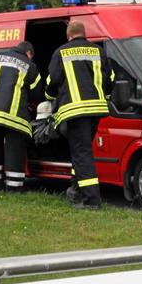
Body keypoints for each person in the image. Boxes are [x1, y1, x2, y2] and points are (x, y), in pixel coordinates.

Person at [46, 21, 114, 209]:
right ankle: (76, 190)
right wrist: (105, 96)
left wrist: (49, 97)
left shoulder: (61, 52)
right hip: (97, 110)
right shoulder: (98, 51)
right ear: (84, 34)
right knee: (81, 153)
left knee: (82, 154)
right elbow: (111, 78)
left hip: (75, 112)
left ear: (69, 35)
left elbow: (52, 80)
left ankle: (92, 201)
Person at [0, 41, 42, 193]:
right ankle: (14, 188)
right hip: (15, 117)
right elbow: (37, 93)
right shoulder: (30, 66)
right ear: (29, 53)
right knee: (15, 151)